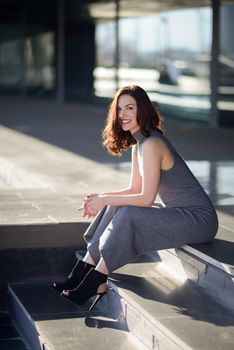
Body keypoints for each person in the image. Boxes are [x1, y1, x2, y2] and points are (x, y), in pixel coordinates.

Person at [52, 85, 218, 311]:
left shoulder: (152, 144)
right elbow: (134, 189)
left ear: (143, 109)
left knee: (128, 211)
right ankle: (84, 269)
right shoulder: (139, 145)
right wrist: (103, 197)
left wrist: (106, 199)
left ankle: (97, 278)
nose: (123, 115)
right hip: (179, 212)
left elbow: (146, 199)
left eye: (130, 108)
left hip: (199, 220)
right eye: (119, 110)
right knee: (116, 206)